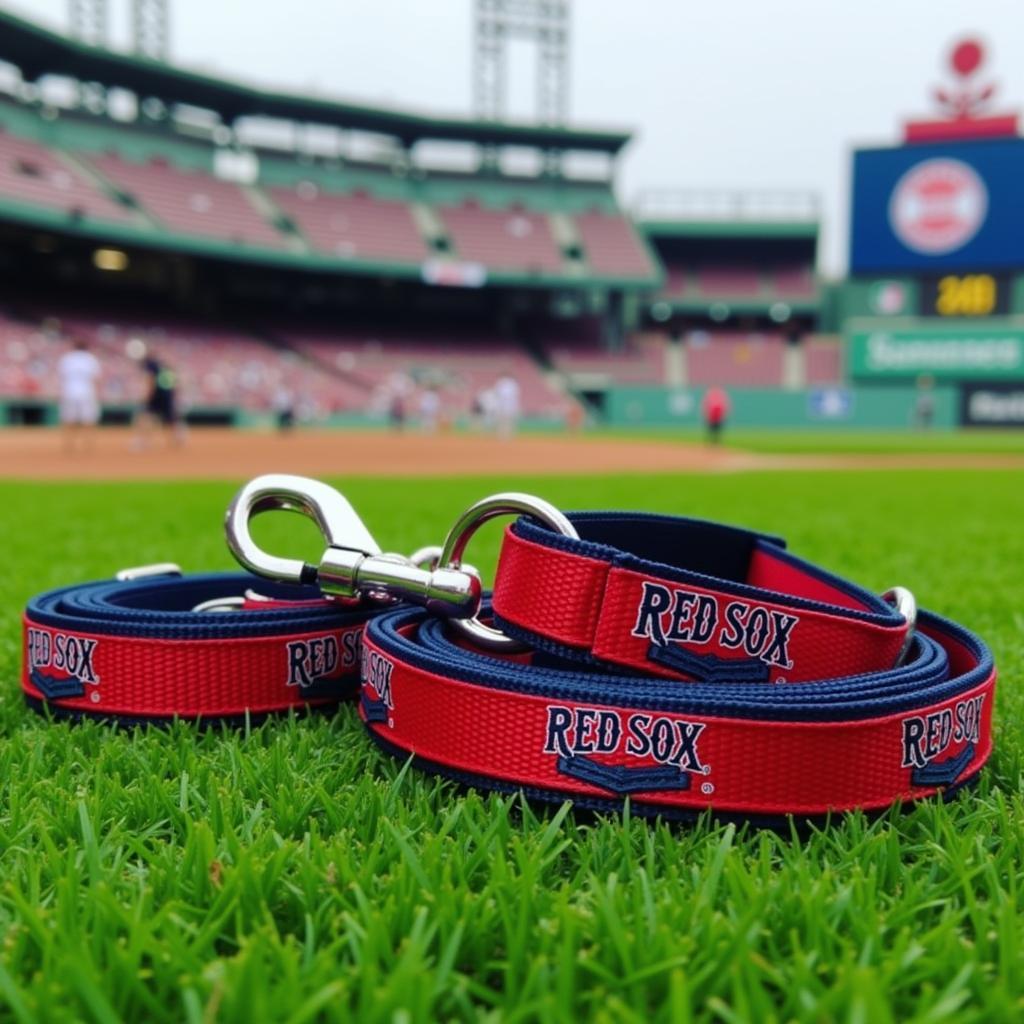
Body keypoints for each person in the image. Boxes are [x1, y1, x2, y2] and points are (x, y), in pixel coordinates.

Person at [56, 338, 102, 453]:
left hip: (69, 391)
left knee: (69, 419)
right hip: (87, 391)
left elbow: (61, 377)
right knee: (88, 419)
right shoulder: (91, 359)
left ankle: (68, 445)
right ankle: (88, 445)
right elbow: (96, 378)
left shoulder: (67, 358)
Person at [133, 348, 184, 448]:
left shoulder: (150, 364)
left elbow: (150, 380)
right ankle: (178, 437)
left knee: (144, 417)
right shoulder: (163, 365)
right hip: (167, 395)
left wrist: (146, 396)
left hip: (156, 396)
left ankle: (143, 442)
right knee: (170, 419)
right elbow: (174, 381)